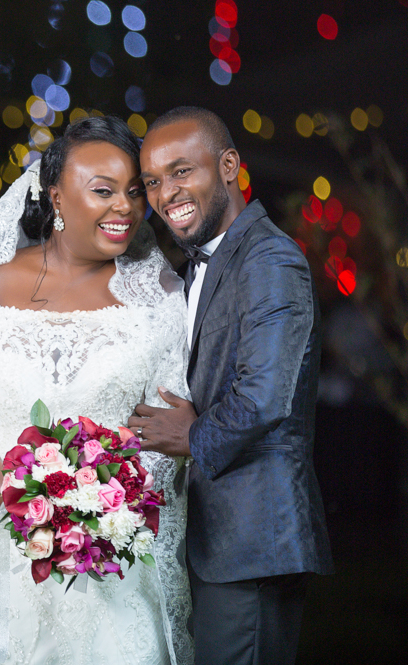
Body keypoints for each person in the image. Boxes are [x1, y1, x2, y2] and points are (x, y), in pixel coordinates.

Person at [0, 115, 193, 665]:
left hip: (117, 548)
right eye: (103, 191)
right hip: (6, 551)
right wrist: (37, 510)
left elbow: (171, 420)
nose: (125, 207)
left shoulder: (160, 298)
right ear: (56, 197)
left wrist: (99, 517)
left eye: (136, 192)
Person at [128, 107, 332, 665]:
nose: (166, 193)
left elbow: (264, 395)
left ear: (228, 166)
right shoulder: (197, 265)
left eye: (181, 172)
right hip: (215, 540)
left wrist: (192, 437)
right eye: (152, 181)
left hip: (254, 542)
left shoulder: (268, 257)